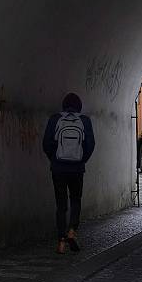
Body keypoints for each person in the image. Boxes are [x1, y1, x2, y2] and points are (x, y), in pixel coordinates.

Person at [43, 92, 95, 254]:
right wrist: (81, 160)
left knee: (61, 205)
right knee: (75, 200)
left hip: (58, 168)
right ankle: (72, 231)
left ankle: (61, 242)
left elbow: (46, 143)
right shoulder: (85, 121)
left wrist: (54, 158)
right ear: (79, 106)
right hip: (77, 169)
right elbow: (90, 144)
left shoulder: (55, 119)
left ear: (63, 105)